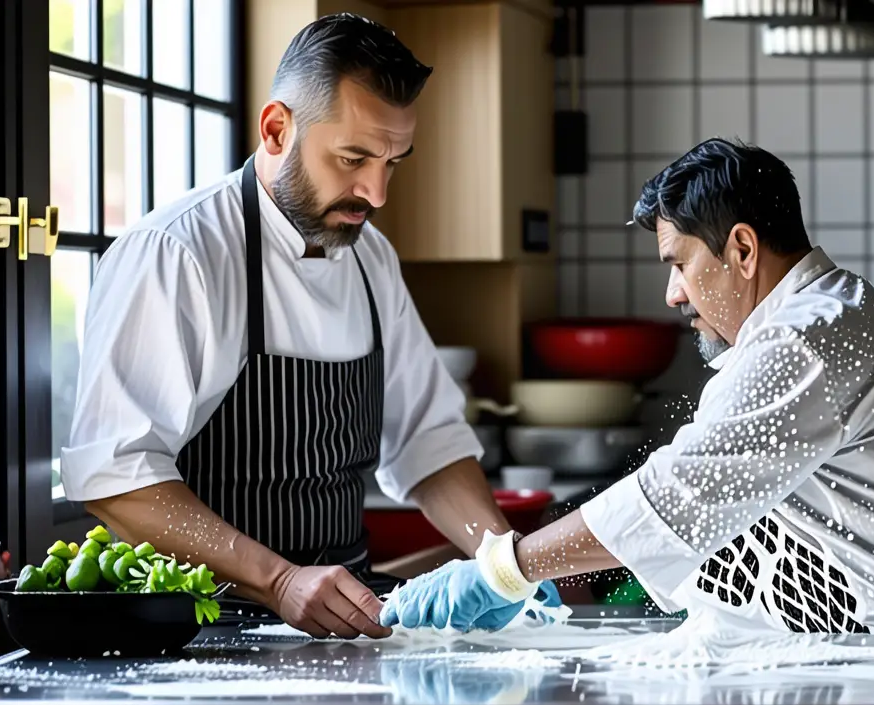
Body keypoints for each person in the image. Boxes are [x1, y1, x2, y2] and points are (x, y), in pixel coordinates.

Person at [380, 138, 874, 636]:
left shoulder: (805, 340)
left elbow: (673, 496)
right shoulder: (832, 314)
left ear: (743, 249)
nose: (672, 294)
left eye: (679, 263)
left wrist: (501, 571)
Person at [60, 13, 557, 641]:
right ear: (276, 129)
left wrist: (505, 563)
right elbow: (117, 480)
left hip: (347, 626)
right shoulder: (177, 253)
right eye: (353, 158)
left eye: (392, 163)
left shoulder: (371, 257)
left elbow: (428, 442)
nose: (376, 192)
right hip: (202, 632)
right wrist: (279, 581)